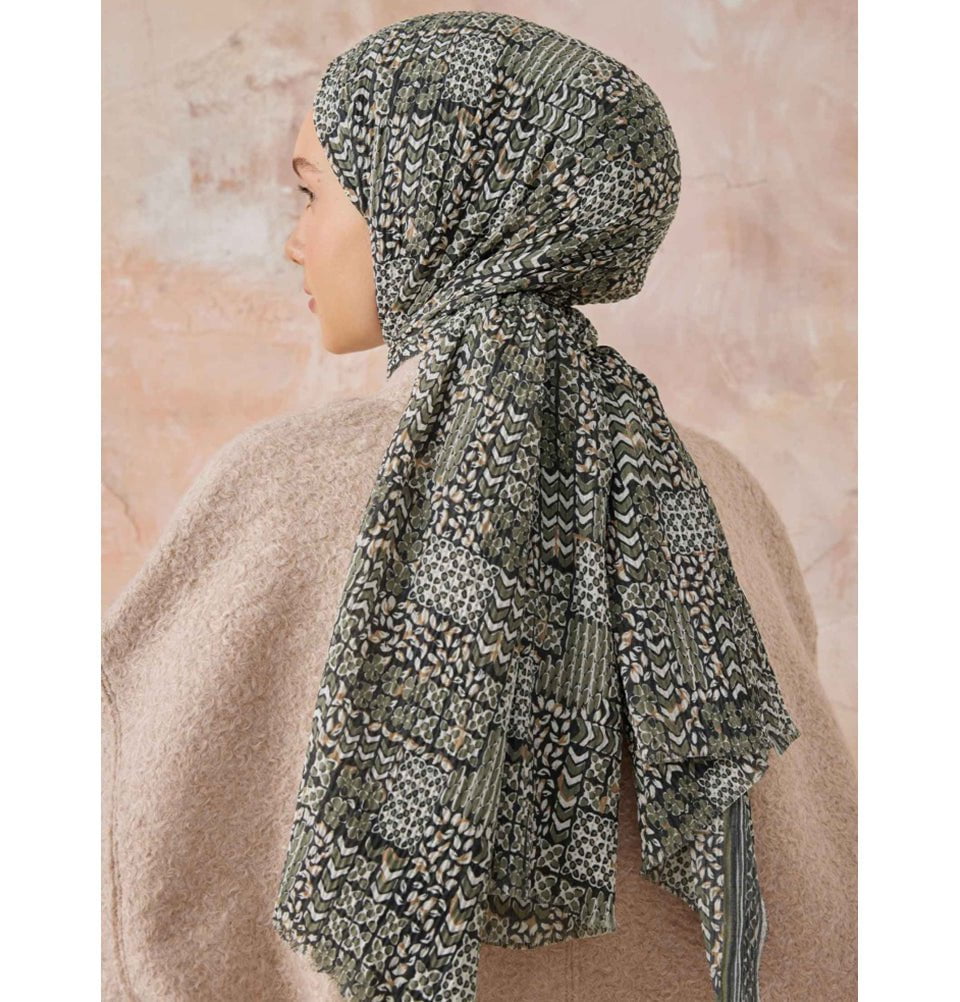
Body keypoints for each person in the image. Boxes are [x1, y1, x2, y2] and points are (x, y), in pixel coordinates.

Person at [102, 11, 857, 1002]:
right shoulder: (719, 489)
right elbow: (814, 869)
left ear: (428, 205)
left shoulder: (276, 490)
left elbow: (136, 840)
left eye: (314, 193)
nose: (295, 242)